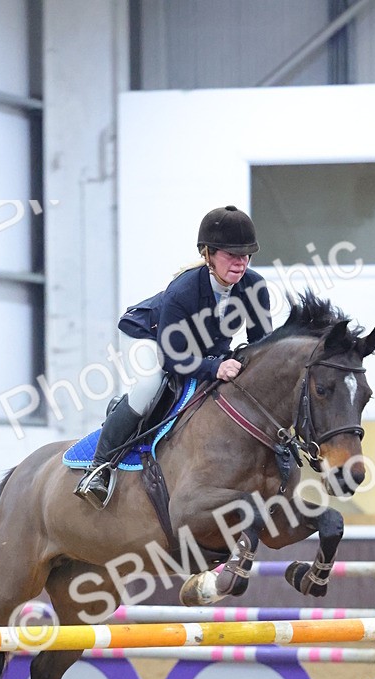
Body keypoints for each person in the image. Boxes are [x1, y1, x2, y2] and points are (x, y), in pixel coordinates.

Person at [75, 204, 272, 508]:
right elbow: (171, 359)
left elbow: (261, 343)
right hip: (148, 337)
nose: (240, 263)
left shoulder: (254, 286)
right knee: (149, 386)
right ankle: (99, 467)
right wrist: (215, 366)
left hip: (198, 349)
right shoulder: (183, 291)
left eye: (245, 255)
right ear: (208, 254)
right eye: (231, 255)